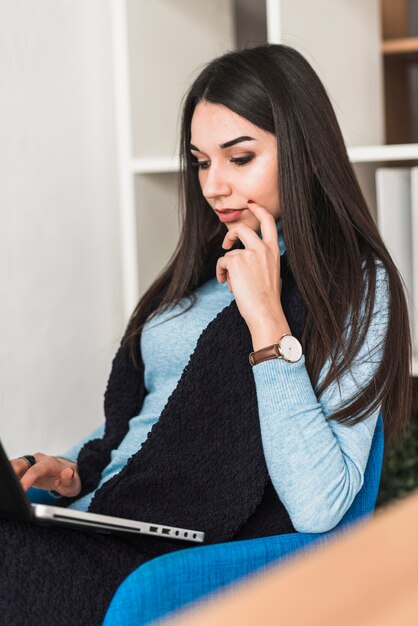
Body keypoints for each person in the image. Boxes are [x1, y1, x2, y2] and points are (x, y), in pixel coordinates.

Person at [2, 44, 412, 625]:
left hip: (162, 559)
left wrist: (266, 317)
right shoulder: (199, 269)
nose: (214, 185)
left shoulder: (355, 286)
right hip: (103, 516)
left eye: (239, 158)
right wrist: (70, 473)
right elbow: (149, 418)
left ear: (306, 156)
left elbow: (322, 506)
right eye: (200, 161)